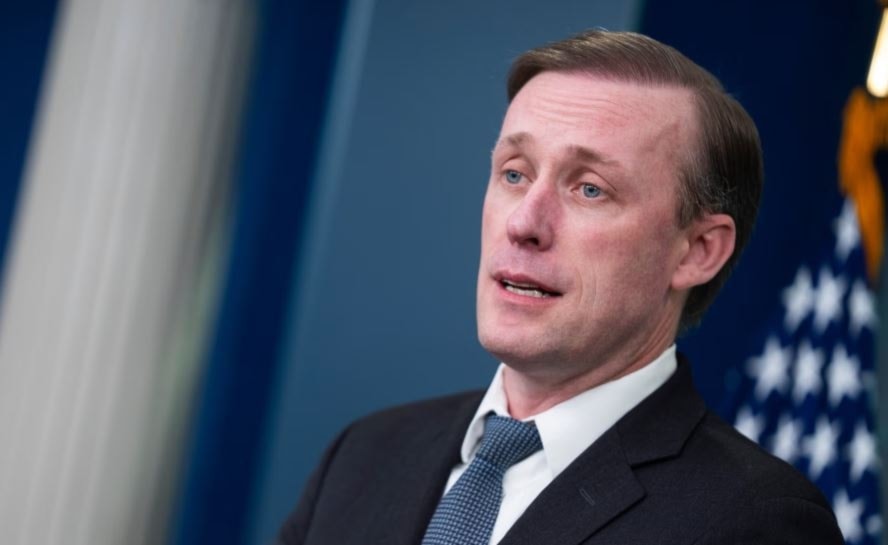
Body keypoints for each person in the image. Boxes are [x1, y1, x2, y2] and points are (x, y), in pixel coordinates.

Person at [277, 29, 844, 544]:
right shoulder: (366, 454)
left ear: (697, 251)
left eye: (590, 189)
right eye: (515, 173)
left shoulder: (755, 522)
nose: (523, 222)